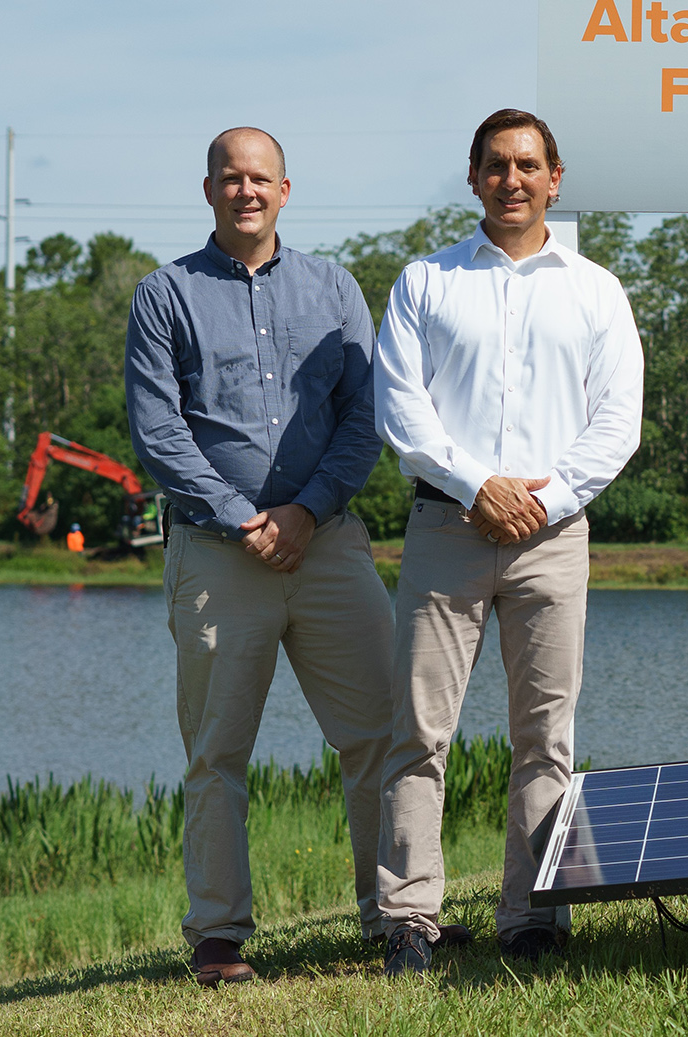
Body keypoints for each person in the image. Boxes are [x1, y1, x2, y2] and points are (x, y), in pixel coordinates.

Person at [126, 127, 405, 986]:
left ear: (287, 190)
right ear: (207, 189)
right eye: (230, 178)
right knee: (218, 752)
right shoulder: (165, 294)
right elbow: (158, 428)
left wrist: (307, 510)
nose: (246, 191)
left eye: (261, 178)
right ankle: (217, 937)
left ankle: (397, 916)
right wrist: (246, 516)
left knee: (382, 737)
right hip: (217, 552)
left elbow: (367, 414)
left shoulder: (333, 287)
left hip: (330, 546)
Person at [373, 108, 643, 976]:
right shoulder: (426, 281)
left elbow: (617, 421)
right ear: (474, 177)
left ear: (554, 178)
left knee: (546, 737)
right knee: (418, 734)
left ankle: (533, 914)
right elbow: (400, 409)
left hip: (554, 537)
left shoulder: (596, 288)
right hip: (445, 527)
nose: (512, 179)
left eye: (528, 164)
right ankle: (409, 918)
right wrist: (476, 485)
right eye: (496, 164)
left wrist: (547, 497)